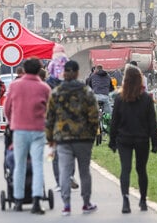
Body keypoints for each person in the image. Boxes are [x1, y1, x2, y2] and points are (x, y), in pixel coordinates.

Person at [45, 60, 99, 217]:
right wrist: (92, 133)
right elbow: (94, 115)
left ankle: (66, 205)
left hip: (63, 138)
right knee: (84, 171)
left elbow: (50, 118)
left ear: (64, 73)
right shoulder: (86, 91)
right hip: (83, 138)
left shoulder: (56, 93)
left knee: (64, 171)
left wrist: (50, 138)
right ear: (76, 73)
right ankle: (86, 203)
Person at [109, 65, 157, 214]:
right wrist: (155, 142)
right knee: (141, 169)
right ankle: (143, 200)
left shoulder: (120, 98)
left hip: (124, 138)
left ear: (125, 80)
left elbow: (114, 122)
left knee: (125, 169)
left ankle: (125, 200)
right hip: (141, 139)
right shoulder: (145, 99)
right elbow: (152, 122)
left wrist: (112, 140)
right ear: (140, 80)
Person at [4, 58, 52, 214]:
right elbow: (49, 111)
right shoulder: (44, 88)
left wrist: (12, 122)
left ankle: (18, 200)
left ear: (24, 70)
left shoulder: (15, 85)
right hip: (38, 130)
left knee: (19, 165)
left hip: (19, 130)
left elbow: (7, 108)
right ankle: (37, 200)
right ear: (39, 70)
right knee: (37, 165)